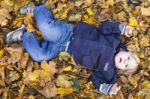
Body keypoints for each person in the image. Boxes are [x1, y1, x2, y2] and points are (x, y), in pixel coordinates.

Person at [6, 5, 140, 96]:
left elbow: (95, 80)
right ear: (127, 51)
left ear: (121, 69)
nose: (124, 61)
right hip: (69, 34)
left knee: (39, 56)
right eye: (128, 57)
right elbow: (105, 27)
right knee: (47, 31)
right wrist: (121, 28)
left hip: (63, 49)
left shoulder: (109, 72)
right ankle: (39, 9)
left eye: (126, 65)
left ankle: (24, 34)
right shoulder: (115, 40)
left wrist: (107, 88)